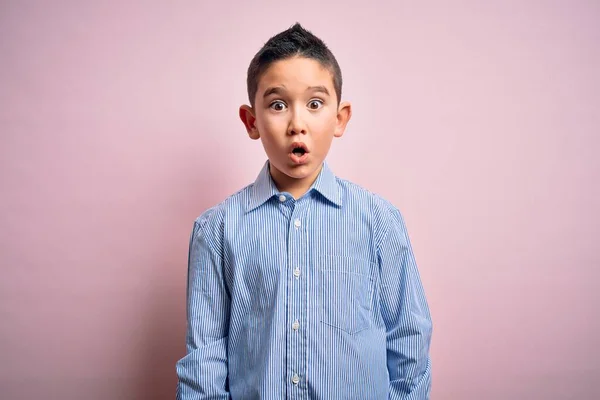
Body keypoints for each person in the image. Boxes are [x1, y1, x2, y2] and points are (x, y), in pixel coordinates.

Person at [176, 22, 432, 399]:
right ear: (252, 122)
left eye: (314, 104)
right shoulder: (217, 230)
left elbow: (408, 338)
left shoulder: (378, 220)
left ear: (339, 117)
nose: (297, 125)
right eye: (278, 105)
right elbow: (205, 360)